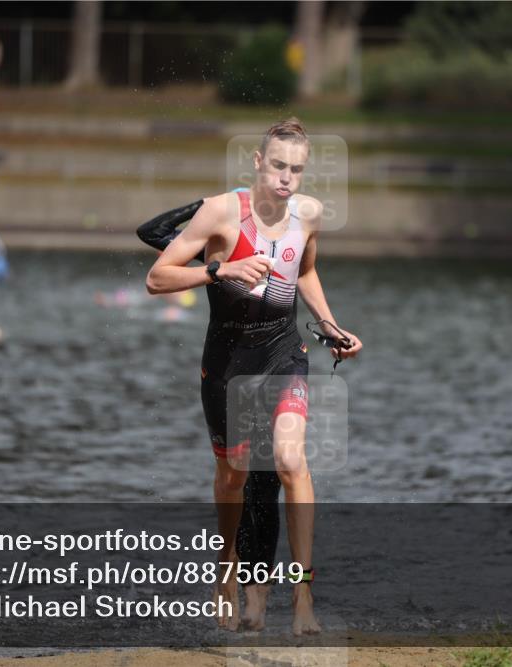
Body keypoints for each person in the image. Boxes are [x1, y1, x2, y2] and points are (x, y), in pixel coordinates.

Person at [145, 118, 362, 635]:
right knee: (235, 476)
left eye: (298, 170)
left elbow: (304, 271)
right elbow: (157, 278)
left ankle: (304, 592)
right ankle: (227, 569)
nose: (288, 178)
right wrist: (218, 271)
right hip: (227, 361)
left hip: (284, 352)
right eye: (280, 166)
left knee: (291, 460)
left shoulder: (307, 214)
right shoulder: (220, 213)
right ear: (258, 163)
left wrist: (331, 327)